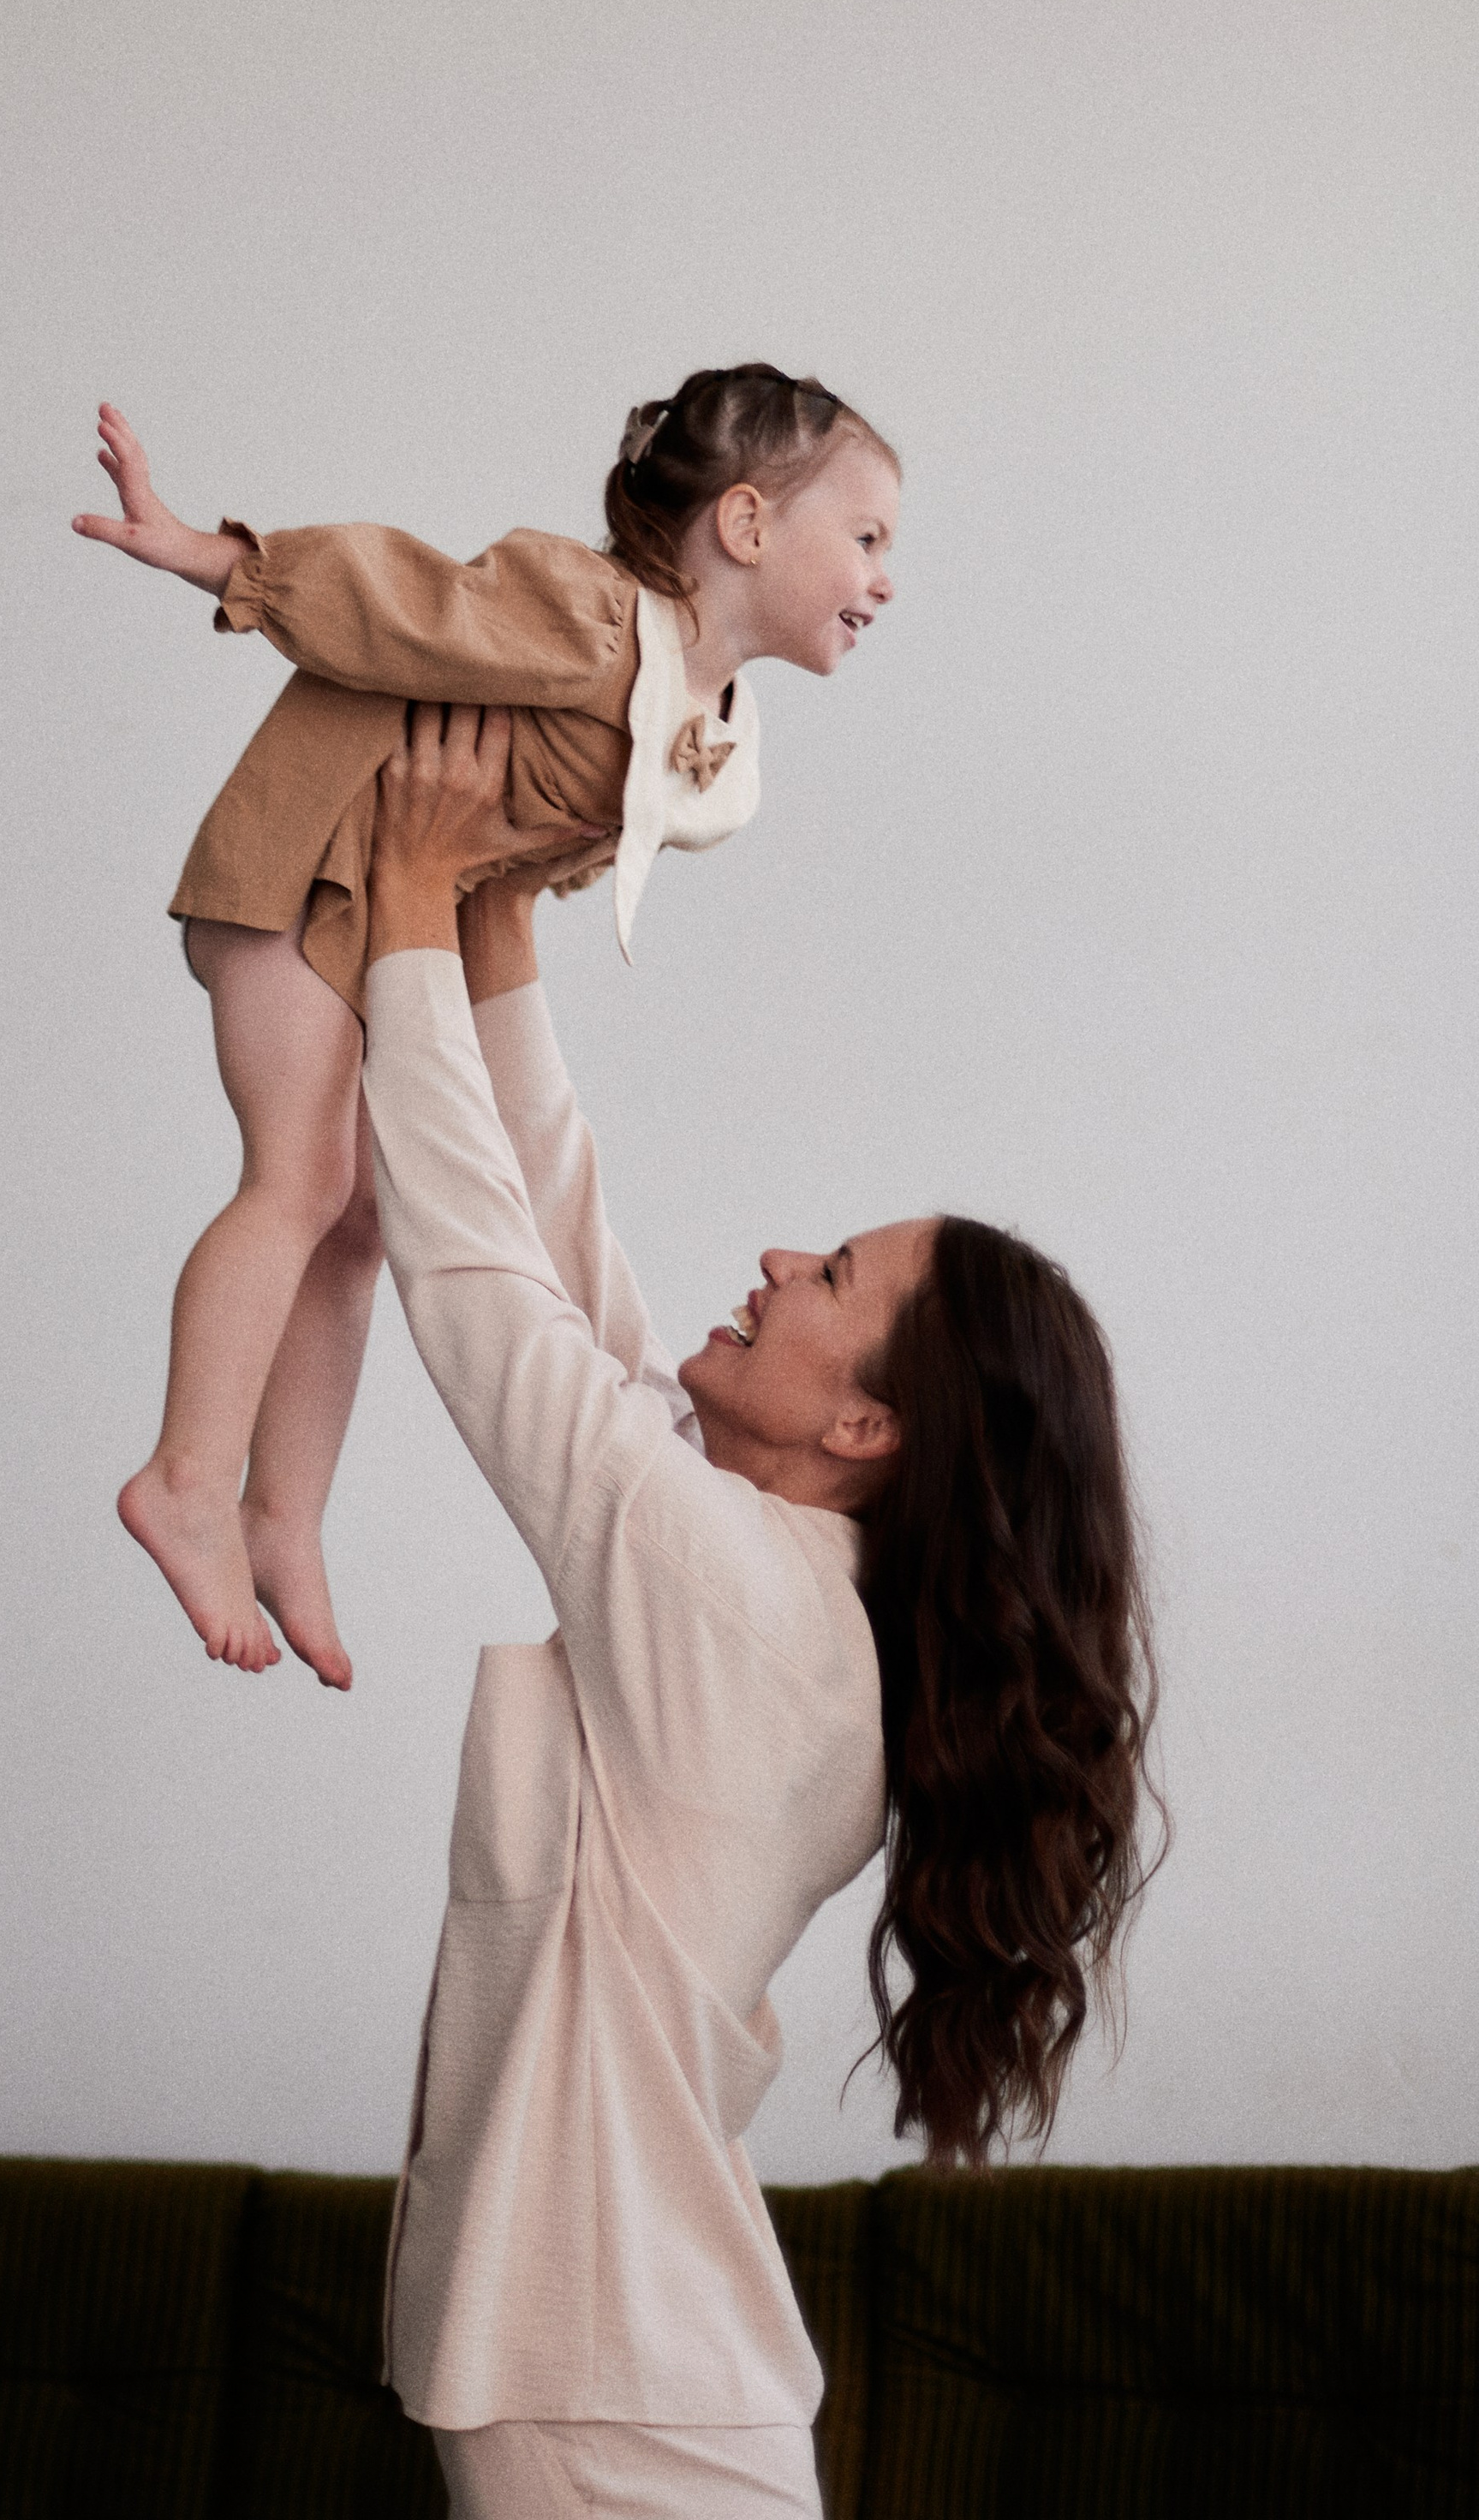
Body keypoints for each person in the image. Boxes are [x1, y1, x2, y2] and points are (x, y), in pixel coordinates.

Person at [359, 706, 1160, 2520]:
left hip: (611, 2396)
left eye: (834, 1278)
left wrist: (406, 913)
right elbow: (572, 1271)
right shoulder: (788, 1596)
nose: (783, 1257)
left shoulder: (734, 1609)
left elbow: (487, 1298)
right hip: (630, 2379)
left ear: (864, 1425)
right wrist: (492, 937)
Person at [72, 367, 901, 1689]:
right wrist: (217, 559)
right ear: (747, 527)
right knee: (300, 1179)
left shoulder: (705, 721)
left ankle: (281, 1517)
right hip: (303, 867)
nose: (884, 578)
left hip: (379, 903)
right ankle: (185, 1480)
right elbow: (400, 602)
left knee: (362, 1220)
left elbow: (532, 849)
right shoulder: (585, 615)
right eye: (865, 539)